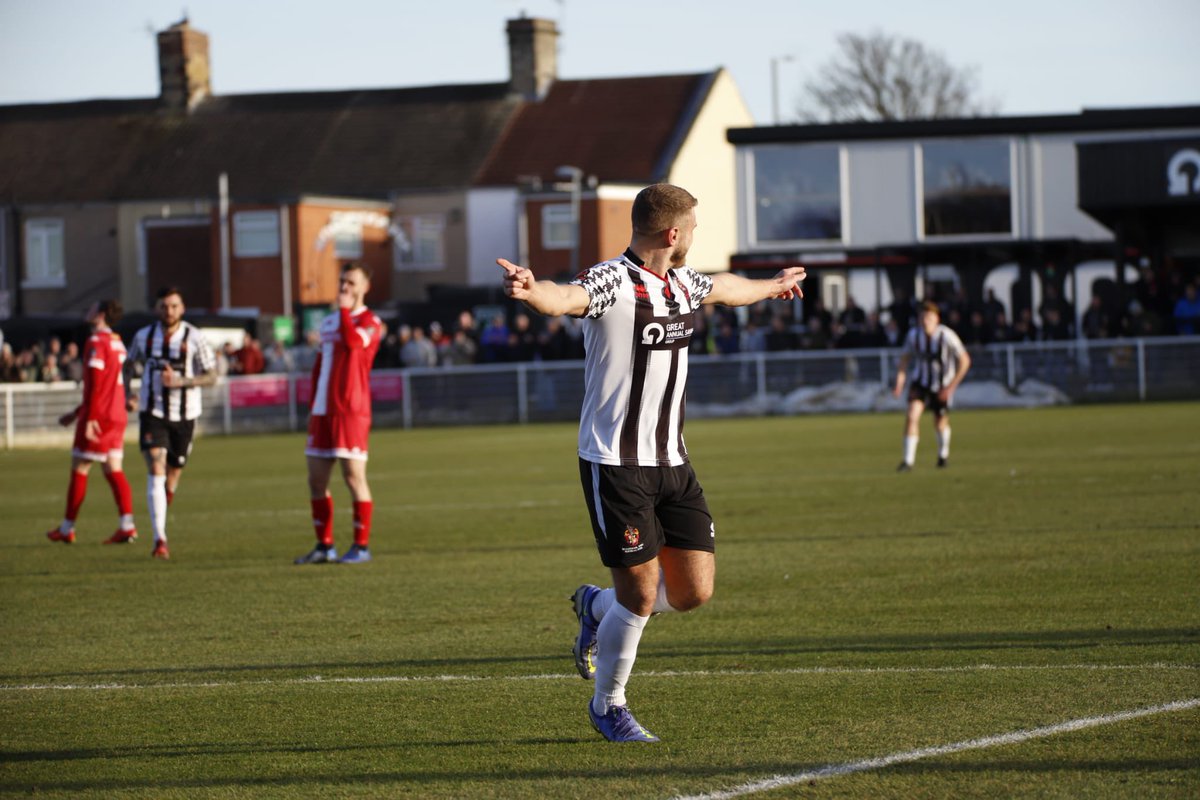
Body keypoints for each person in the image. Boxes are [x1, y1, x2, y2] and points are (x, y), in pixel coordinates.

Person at [497, 183, 805, 743]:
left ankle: (596, 607)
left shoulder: (683, 283)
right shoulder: (612, 280)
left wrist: (771, 285)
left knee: (693, 592)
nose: (695, 236)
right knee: (640, 595)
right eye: (693, 228)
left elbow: (725, 288)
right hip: (616, 464)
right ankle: (608, 706)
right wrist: (531, 291)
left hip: (673, 461)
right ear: (672, 233)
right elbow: (565, 297)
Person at [295, 262, 384, 565]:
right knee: (316, 480)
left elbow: (353, 344)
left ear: (365, 287)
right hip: (323, 411)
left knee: (353, 477)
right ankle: (324, 546)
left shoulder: (371, 322)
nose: (344, 287)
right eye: (342, 281)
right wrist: (312, 404)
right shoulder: (330, 322)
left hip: (351, 410)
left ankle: (361, 546)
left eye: (351, 282)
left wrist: (345, 311)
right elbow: (321, 364)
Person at [126, 287, 219, 559]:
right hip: (152, 412)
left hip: (185, 415)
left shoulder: (195, 337)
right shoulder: (144, 336)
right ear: (156, 308)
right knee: (156, 467)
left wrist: (181, 382)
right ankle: (160, 539)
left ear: (183, 308)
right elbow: (128, 365)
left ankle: (162, 509)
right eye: (164, 306)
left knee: (173, 473)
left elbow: (212, 376)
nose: (169, 311)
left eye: (174, 306)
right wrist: (127, 393)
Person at [45, 300, 138, 546]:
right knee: (113, 468)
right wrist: (77, 413)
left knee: (80, 467)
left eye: (93, 308)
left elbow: (96, 384)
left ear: (101, 314)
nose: (88, 310)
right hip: (116, 413)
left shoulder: (96, 342)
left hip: (100, 415)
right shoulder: (118, 342)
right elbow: (112, 384)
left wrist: (90, 417)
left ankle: (67, 528)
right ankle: (127, 525)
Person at [892, 300, 972, 471]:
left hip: (942, 385)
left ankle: (943, 455)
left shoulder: (947, 336)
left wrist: (951, 387)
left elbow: (965, 361)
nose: (925, 321)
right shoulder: (914, 335)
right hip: (920, 382)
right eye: (922, 317)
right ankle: (908, 461)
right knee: (912, 415)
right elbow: (904, 360)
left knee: (939, 422)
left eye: (929, 317)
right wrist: (899, 382)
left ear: (937, 319)